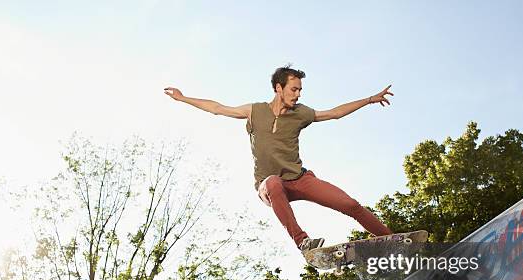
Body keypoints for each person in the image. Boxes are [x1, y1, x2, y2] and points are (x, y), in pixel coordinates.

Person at [164, 65, 392, 256]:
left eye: (300, 90)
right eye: (294, 89)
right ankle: (303, 242)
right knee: (273, 181)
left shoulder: (302, 113)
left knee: (350, 204)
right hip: (270, 187)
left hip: (299, 179)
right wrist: (183, 98)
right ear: (278, 88)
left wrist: (371, 99)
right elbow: (217, 108)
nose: (298, 94)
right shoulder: (255, 111)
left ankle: (392, 239)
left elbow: (334, 113)